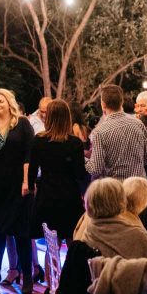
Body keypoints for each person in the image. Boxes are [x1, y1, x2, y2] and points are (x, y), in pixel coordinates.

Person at [0, 88, 36, 294]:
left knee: (21, 233)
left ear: (10, 103)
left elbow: (29, 155)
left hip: (18, 185)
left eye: (1, 101)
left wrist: (27, 181)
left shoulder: (22, 124)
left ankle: (27, 276)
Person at [81, 178, 147, 274]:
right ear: (122, 201)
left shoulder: (88, 231)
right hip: (128, 283)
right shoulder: (135, 234)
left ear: (87, 203)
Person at [31, 99, 87, 242]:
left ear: (49, 117)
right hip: (70, 197)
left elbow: (32, 171)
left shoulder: (38, 141)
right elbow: (80, 174)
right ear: (67, 118)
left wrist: (33, 189)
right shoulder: (75, 143)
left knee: (52, 244)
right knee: (72, 239)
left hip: (46, 195)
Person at [86, 84, 147, 181]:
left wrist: (84, 160)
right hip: (138, 185)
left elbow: (95, 169)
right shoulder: (139, 124)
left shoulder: (99, 132)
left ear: (103, 105)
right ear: (121, 102)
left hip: (115, 187)